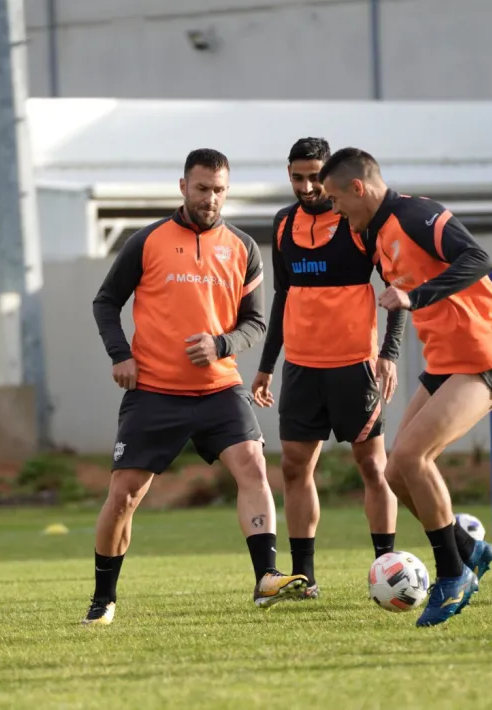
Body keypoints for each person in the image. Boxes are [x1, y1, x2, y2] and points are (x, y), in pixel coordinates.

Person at [86, 148, 308, 626]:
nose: (211, 198)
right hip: (154, 391)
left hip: (219, 389)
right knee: (124, 494)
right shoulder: (146, 242)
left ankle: (267, 577)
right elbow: (105, 302)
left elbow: (256, 323)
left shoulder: (245, 249)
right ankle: (103, 598)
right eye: (202, 188)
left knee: (252, 466)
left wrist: (222, 344)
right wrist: (120, 354)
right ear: (183, 186)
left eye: (220, 190)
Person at [319, 147, 492, 628]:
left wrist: (416, 296)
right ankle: (469, 548)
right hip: (447, 361)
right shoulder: (370, 233)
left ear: (357, 188)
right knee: (393, 472)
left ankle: (452, 575)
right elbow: (393, 296)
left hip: (483, 354)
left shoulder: (416, 214)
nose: (333, 208)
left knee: (411, 457)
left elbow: (477, 259)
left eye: (334, 197)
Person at [250, 137, 403, 598]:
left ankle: (386, 569)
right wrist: (266, 365)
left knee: (374, 468)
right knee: (295, 468)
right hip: (301, 368)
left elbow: (397, 290)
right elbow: (282, 296)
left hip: (354, 366)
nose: (307, 185)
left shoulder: (358, 221)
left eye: (316, 176)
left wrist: (389, 353)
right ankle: (303, 577)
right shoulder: (282, 224)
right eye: (297, 177)